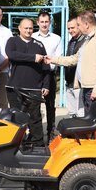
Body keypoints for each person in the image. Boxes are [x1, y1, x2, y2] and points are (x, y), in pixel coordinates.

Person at [45, 11, 96, 141]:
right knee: (90, 126)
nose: (78, 28)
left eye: (79, 25)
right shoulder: (89, 40)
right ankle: (92, 156)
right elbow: (74, 59)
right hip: (88, 89)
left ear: (87, 24)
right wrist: (53, 59)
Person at [6, 18, 50, 147]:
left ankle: (38, 144)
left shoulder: (39, 44)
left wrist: (46, 85)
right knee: (16, 118)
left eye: (30, 28)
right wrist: (33, 58)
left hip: (34, 89)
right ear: (19, 28)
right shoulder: (12, 41)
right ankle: (15, 144)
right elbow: (12, 55)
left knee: (35, 118)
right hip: (14, 88)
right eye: (26, 28)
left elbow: (46, 66)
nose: (28, 31)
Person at [32, 10, 63, 138]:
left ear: (50, 23)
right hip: (34, 74)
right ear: (38, 22)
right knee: (33, 105)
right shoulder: (32, 37)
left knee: (50, 105)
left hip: (49, 74)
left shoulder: (57, 38)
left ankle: (50, 131)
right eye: (42, 22)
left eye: (46, 22)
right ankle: (34, 133)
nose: (44, 24)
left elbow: (59, 56)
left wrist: (48, 65)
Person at [65, 17, 86, 117]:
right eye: (68, 28)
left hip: (78, 84)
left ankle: (81, 133)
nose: (70, 30)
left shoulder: (85, 41)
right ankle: (72, 133)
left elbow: (74, 60)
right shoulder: (71, 41)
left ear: (79, 26)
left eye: (72, 28)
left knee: (80, 113)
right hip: (69, 83)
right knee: (72, 112)